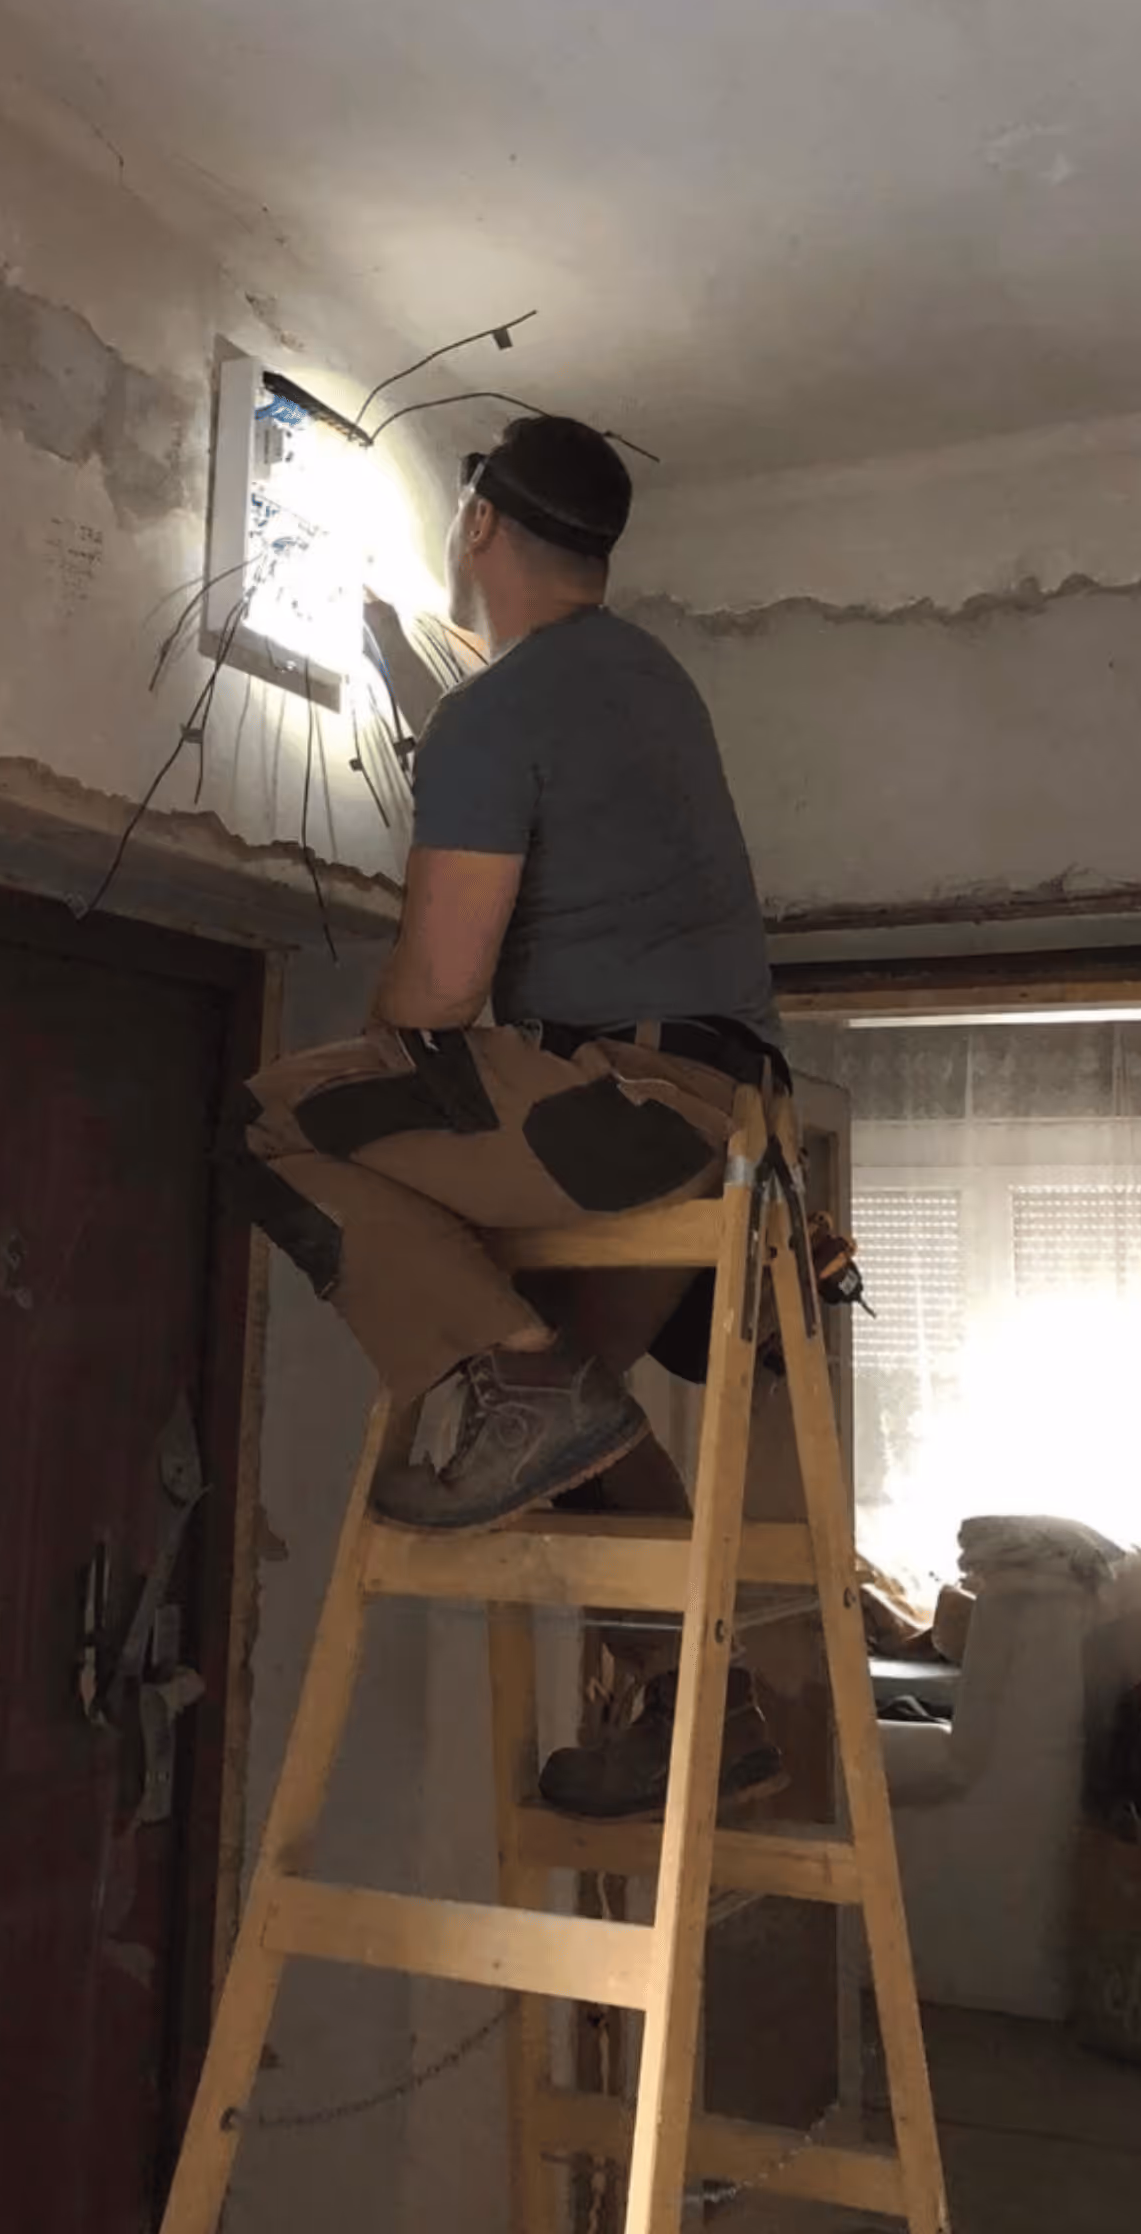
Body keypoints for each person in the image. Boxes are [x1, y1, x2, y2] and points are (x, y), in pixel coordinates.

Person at [238, 412, 784, 1812]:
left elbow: (433, 998)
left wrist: (382, 1101)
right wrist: (410, 666)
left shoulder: (505, 712)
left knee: (275, 1127)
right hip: (723, 1121)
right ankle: (698, 1705)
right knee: (585, 1412)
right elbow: (506, 728)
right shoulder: (641, 680)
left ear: (477, 521)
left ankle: (514, 1380)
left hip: (621, 1105)